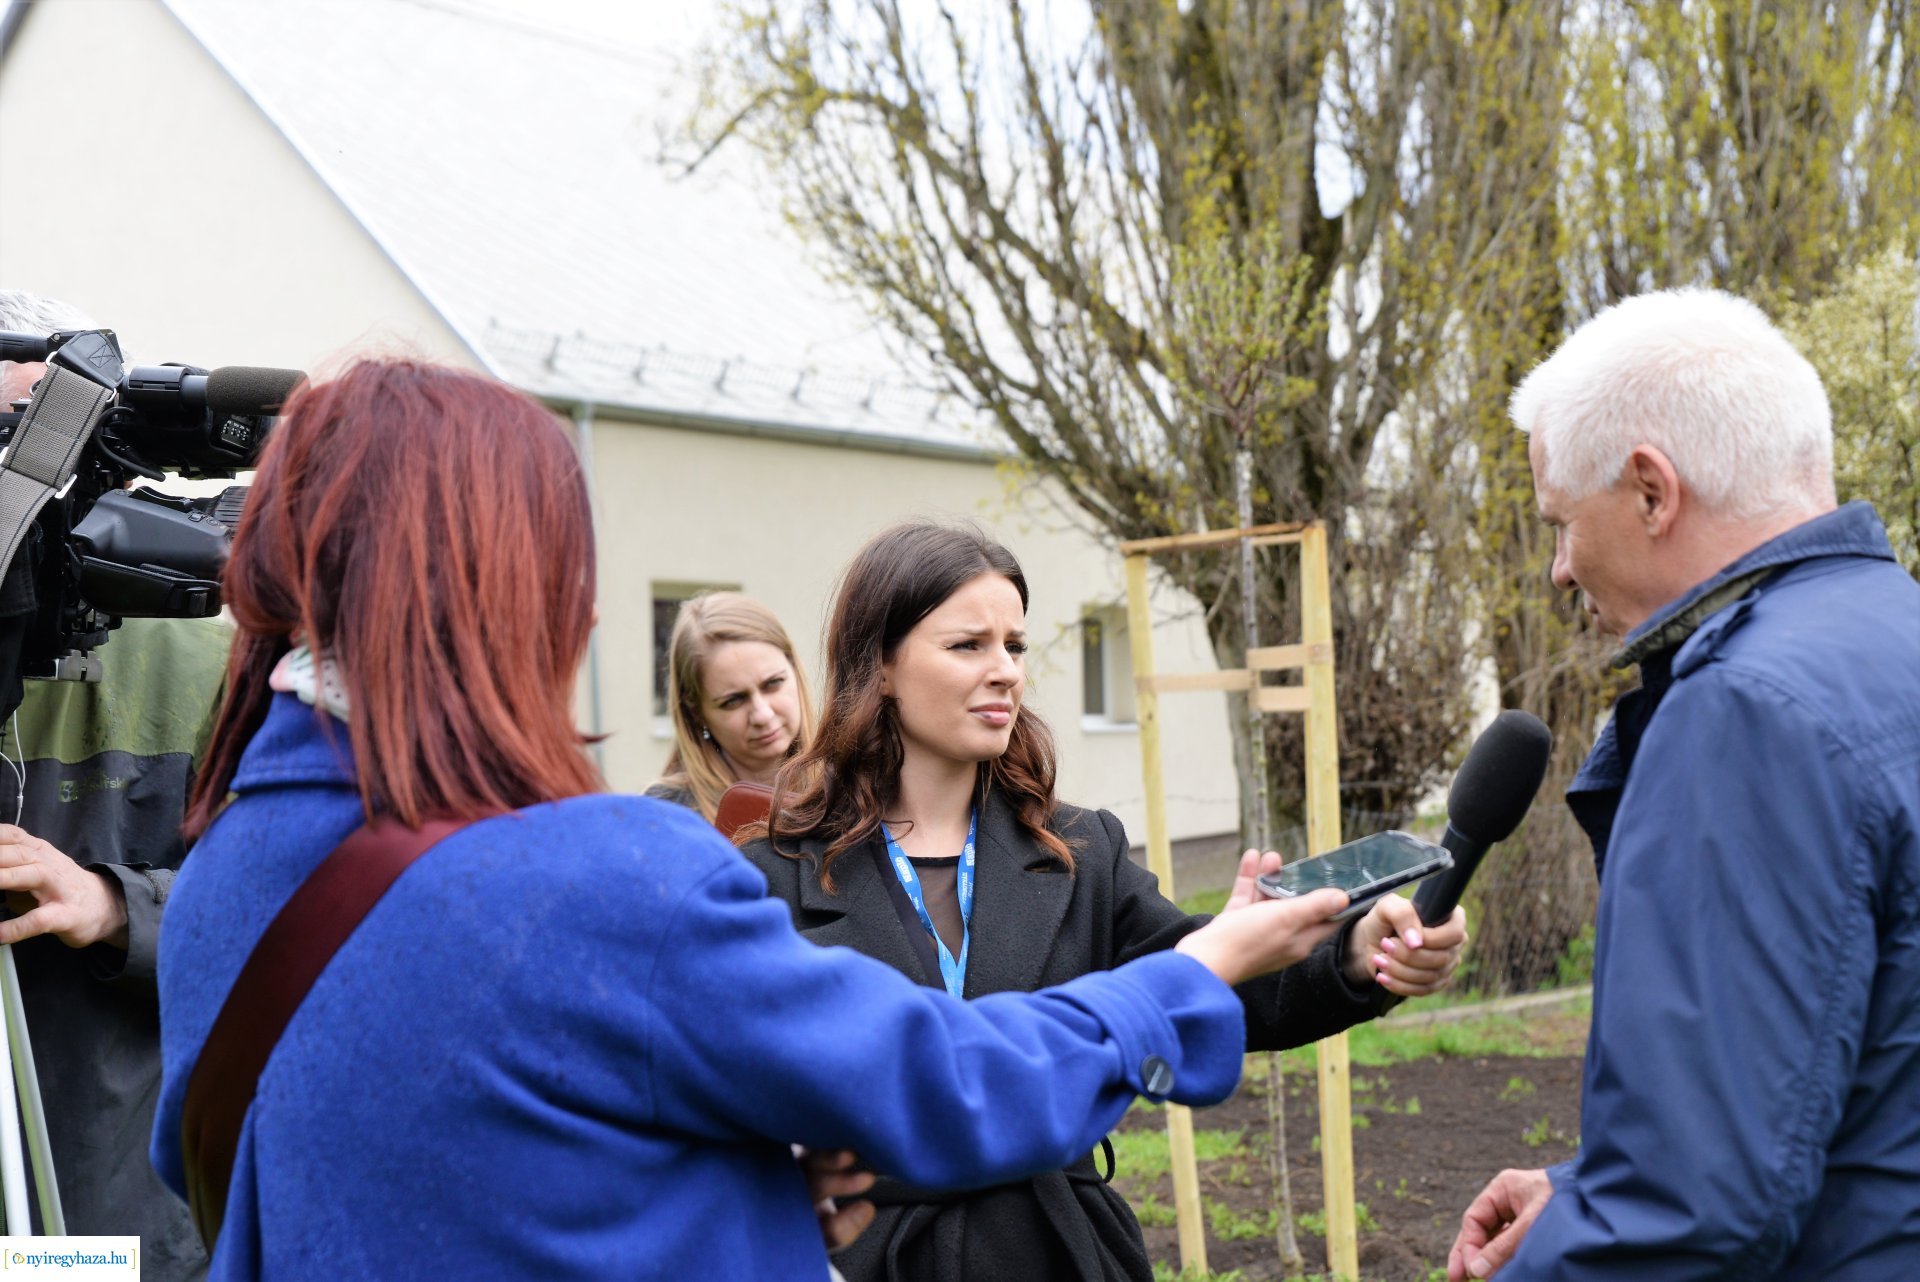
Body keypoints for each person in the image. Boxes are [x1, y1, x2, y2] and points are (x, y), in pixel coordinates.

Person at [148, 358, 1375, 1281]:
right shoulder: (610, 873)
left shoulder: (220, 878)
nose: (1002, 668)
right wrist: (1181, 978)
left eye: (1016, 641)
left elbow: (351, 1179)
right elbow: (935, 1082)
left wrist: (734, 1197)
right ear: (512, 590)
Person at [738, 521, 1470, 1282]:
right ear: (880, 665)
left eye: (1015, 646)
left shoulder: (1081, 851)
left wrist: (1355, 953)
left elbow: (1202, 983)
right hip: (867, 1261)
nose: (1006, 673)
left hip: (1060, 1251)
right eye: (968, 646)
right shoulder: (771, 878)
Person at [1445, 288, 1920, 1281]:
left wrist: (1580, 1241)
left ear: (1653, 492)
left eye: (1562, 524)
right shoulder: (1894, 642)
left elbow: (1691, 1217)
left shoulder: (1744, 710)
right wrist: (1586, 1190)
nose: (1559, 570)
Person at [0, 289, 224, 1279]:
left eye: (26, 443)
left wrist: (110, 905)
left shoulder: (205, 667)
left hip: (100, 1220)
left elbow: (298, 925)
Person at [646, 591, 815, 820]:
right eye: (733, 701)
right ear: (696, 712)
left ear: (794, 668)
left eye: (773, 683)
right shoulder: (667, 815)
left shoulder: (853, 785)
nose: (763, 715)